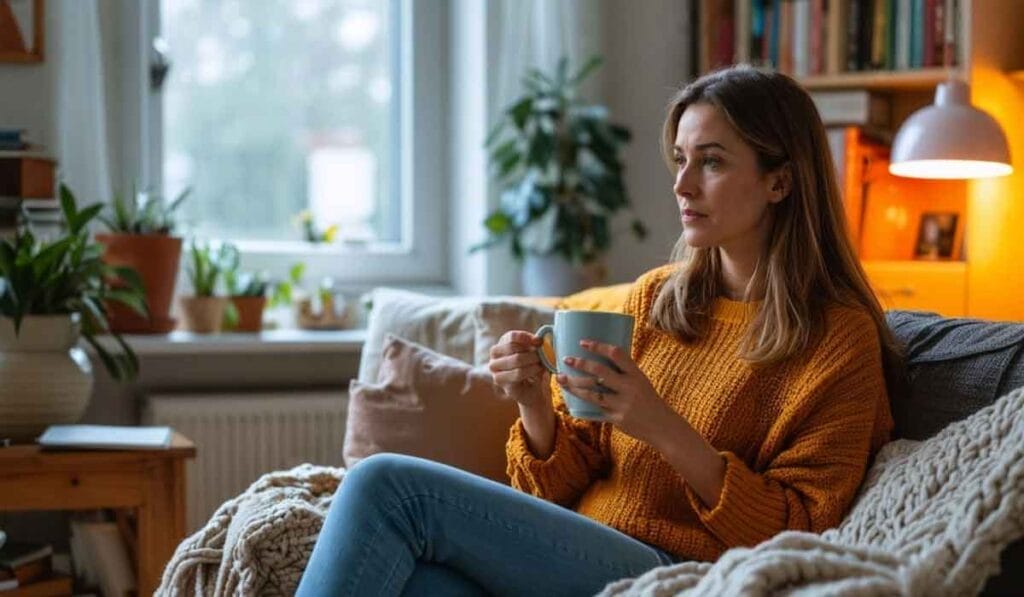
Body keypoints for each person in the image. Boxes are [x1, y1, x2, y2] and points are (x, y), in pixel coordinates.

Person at [295, 64, 901, 597]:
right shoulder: (655, 300)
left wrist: (660, 426)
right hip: (579, 551)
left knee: (389, 485)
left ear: (780, 182)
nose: (683, 185)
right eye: (682, 159)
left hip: (683, 573)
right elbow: (557, 485)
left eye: (711, 161)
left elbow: (802, 531)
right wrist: (535, 404)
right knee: (417, 585)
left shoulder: (836, 341)